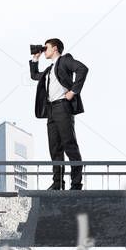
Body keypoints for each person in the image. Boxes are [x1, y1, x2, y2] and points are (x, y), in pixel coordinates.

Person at [30, 38, 88, 190]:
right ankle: (57, 183)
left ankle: (76, 184)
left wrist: (73, 91)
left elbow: (83, 69)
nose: (45, 50)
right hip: (51, 110)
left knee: (70, 146)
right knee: (55, 148)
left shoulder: (65, 61)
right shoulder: (50, 69)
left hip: (63, 107)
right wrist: (35, 59)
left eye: (46, 48)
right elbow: (35, 75)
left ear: (55, 48)